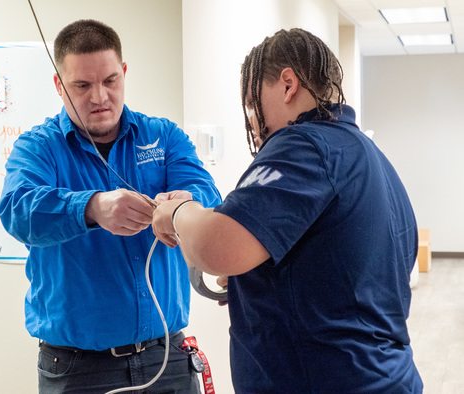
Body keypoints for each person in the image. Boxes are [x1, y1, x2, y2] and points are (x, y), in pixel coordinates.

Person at [152, 28, 423, 393]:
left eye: (252, 105)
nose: (252, 122)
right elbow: (344, 274)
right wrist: (261, 284)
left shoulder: (304, 143)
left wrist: (179, 211)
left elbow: (215, 248)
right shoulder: (367, 155)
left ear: (288, 84)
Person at [0, 19, 221, 393]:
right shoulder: (38, 148)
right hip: (77, 369)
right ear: (58, 85)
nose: (99, 97)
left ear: (124, 73)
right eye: (82, 85)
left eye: (110, 81)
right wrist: (93, 208)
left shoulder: (163, 137)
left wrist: (184, 204)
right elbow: (18, 211)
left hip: (166, 359)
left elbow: (206, 194)